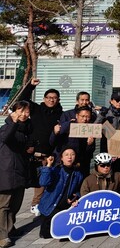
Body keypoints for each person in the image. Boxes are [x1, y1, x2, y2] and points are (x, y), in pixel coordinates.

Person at [19, 78, 63, 218]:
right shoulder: (36, 109)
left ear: (58, 99)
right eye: (49, 98)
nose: (52, 100)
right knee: (29, 180)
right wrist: (30, 86)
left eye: (54, 98)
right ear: (44, 99)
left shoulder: (60, 114)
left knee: (44, 181)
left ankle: (37, 204)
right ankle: (32, 204)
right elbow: (23, 99)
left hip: (49, 154)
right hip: (32, 152)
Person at [0, 101, 31, 248]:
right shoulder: (6, 127)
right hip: (6, 172)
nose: (24, 114)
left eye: (26, 111)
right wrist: (13, 121)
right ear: (14, 112)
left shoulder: (24, 130)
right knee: (4, 206)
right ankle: (2, 236)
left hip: (19, 172)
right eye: (21, 111)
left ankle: (10, 229)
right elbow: (6, 138)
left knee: (15, 205)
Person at [38, 147, 83, 239]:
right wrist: (48, 166)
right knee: (47, 234)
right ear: (61, 158)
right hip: (50, 206)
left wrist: (76, 198)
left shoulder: (78, 174)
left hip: (66, 206)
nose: (69, 157)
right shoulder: (55, 170)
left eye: (72, 154)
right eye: (66, 155)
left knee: (66, 233)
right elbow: (43, 182)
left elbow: (79, 190)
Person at [50, 105, 96, 177]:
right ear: (77, 116)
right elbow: (52, 142)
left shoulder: (90, 130)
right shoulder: (68, 125)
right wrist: (55, 133)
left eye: (87, 117)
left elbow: (89, 152)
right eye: (82, 116)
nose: (85, 119)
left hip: (78, 165)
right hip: (61, 163)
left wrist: (89, 144)